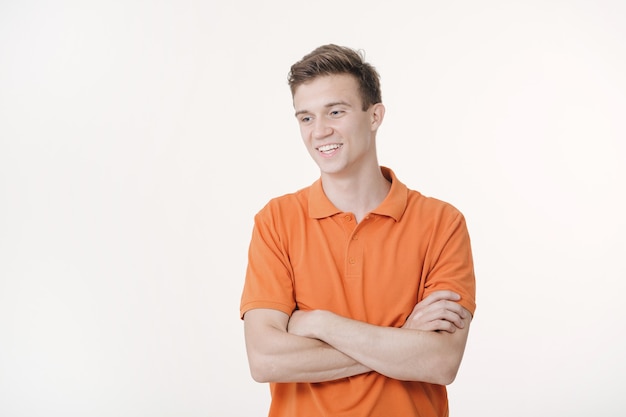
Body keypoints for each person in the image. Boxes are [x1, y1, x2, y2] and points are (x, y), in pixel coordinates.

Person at [240, 44, 476, 417]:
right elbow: (265, 359)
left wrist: (319, 323)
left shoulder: (441, 223)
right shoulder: (276, 221)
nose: (320, 131)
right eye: (306, 118)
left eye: (336, 111)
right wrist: (402, 342)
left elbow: (440, 362)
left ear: (374, 116)